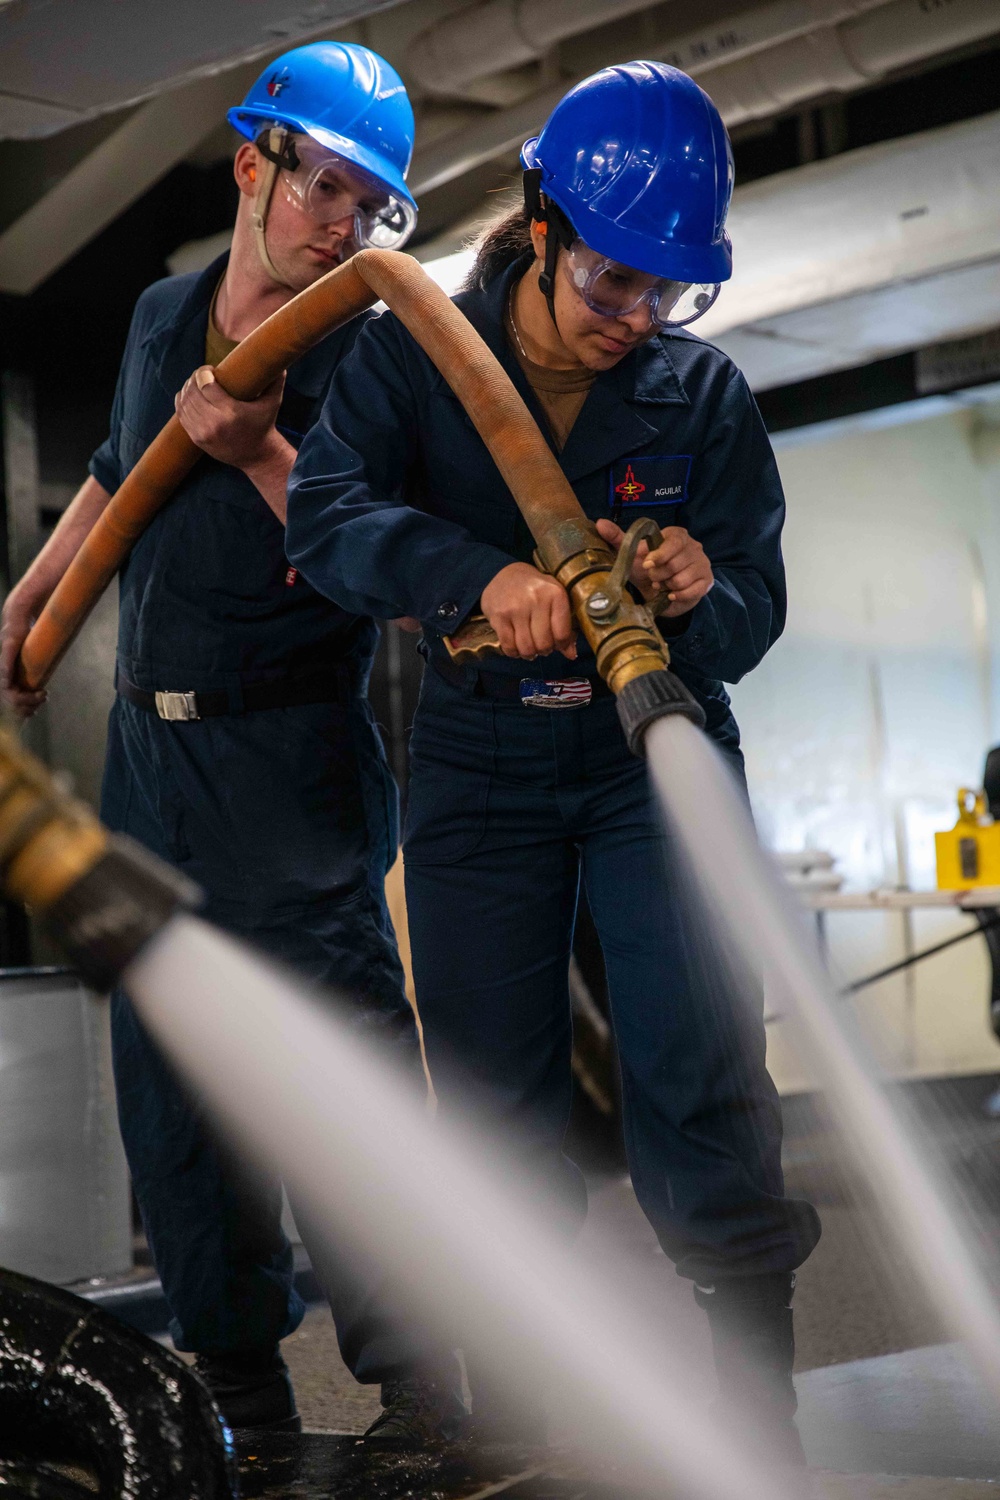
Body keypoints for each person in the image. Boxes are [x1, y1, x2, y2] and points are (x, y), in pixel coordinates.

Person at [285, 59, 821, 1459]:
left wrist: (707, 593)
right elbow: (325, 521)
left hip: (660, 760)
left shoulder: (700, 396)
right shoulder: (415, 355)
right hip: (482, 762)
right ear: (540, 225)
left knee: (698, 1057)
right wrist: (471, 577)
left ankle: (755, 1395)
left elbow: (761, 603)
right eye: (612, 286)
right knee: (488, 1087)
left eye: (667, 293)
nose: (635, 319)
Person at [0, 41, 461, 1448]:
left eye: (373, 207)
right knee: (175, 1086)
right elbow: (116, 475)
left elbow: (379, 574)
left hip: (293, 765)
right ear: (255, 158)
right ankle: (242, 1390)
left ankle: (424, 1393)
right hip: (150, 764)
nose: (343, 223)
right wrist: (25, 611)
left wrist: (260, 447)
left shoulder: (368, 362)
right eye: (326, 184)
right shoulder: (158, 314)